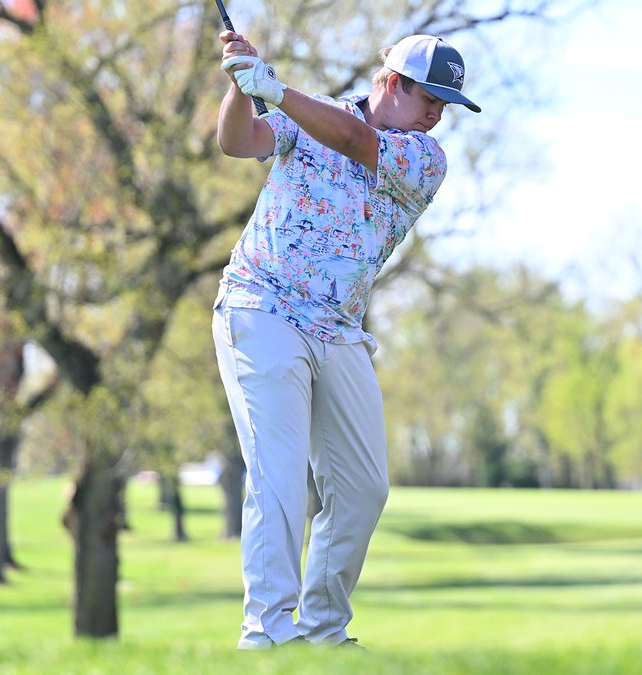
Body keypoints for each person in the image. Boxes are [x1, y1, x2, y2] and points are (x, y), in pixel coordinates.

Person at [211, 29, 481, 650]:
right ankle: (269, 636)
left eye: (446, 105)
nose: (437, 115)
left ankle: (324, 630)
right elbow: (238, 140)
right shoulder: (308, 115)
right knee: (277, 474)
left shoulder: (424, 160)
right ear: (391, 82)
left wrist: (274, 90)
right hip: (263, 307)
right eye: (429, 99)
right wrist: (240, 86)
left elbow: (356, 140)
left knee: (363, 488)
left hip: (338, 328)